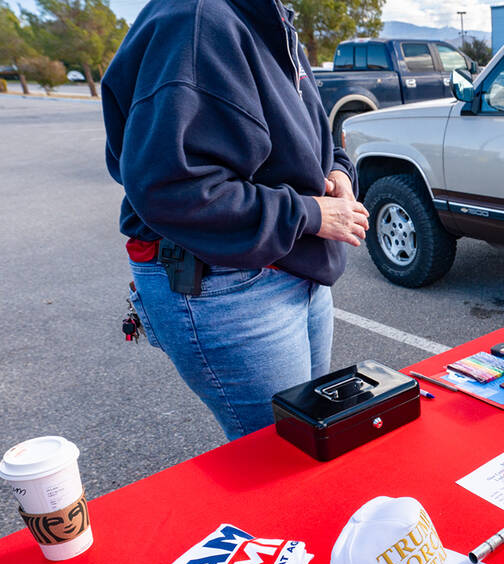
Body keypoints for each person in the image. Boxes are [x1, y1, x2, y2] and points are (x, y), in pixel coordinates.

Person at [101, 0, 370, 440]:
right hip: (228, 286)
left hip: (296, 265)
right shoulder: (194, 20)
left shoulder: (271, 20)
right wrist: (311, 213)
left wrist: (338, 170)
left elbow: (314, 138)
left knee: (311, 441)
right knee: (282, 458)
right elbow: (170, 189)